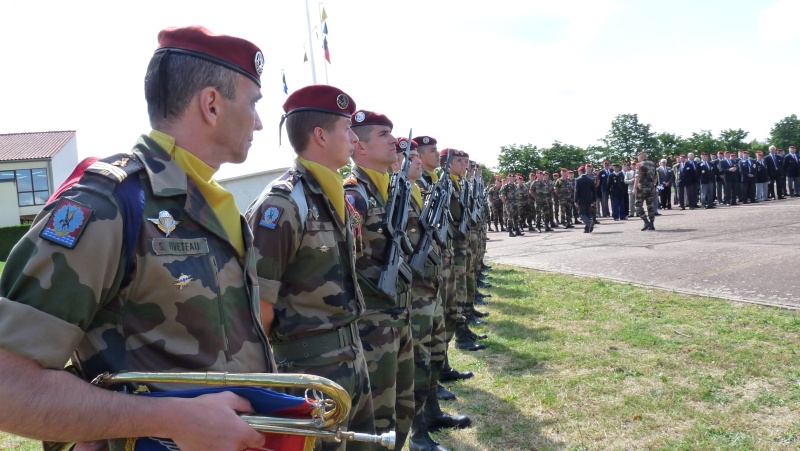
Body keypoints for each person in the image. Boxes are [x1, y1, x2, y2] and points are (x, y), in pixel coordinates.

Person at [0, 25, 276, 451]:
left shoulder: (217, 206)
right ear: (211, 105)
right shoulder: (108, 202)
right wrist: (168, 419)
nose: (259, 121)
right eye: (254, 103)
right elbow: (8, 385)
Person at [245, 84, 376, 451]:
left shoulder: (335, 195)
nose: (354, 139)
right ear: (320, 134)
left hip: (352, 356)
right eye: (346, 129)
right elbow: (260, 309)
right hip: (309, 373)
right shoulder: (282, 205)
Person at [344, 110, 415, 449]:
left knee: (403, 408)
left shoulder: (393, 189)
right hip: (372, 327)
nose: (394, 140)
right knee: (378, 420)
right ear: (358, 145)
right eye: (384, 135)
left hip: (399, 316)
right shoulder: (353, 195)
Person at [633, 150, 657, 231]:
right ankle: (652, 224)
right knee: (650, 206)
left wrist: (634, 188)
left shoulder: (639, 165)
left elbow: (637, 177)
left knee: (638, 206)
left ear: (641, 157)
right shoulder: (652, 164)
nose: (638, 159)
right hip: (651, 187)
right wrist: (652, 185)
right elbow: (656, 178)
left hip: (642, 187)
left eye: (638, 157)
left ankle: (646, 221)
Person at [573, 166, 595, 233]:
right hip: (589, 199)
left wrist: (575, 200)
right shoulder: (590, 179)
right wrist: (593, 200)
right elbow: (594, 191)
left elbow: (577, 191)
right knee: (587, 213)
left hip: (581, 199)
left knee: (581, 213)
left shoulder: (578, 180)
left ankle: (590, 223)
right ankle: (587, 229)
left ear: (580, 172)